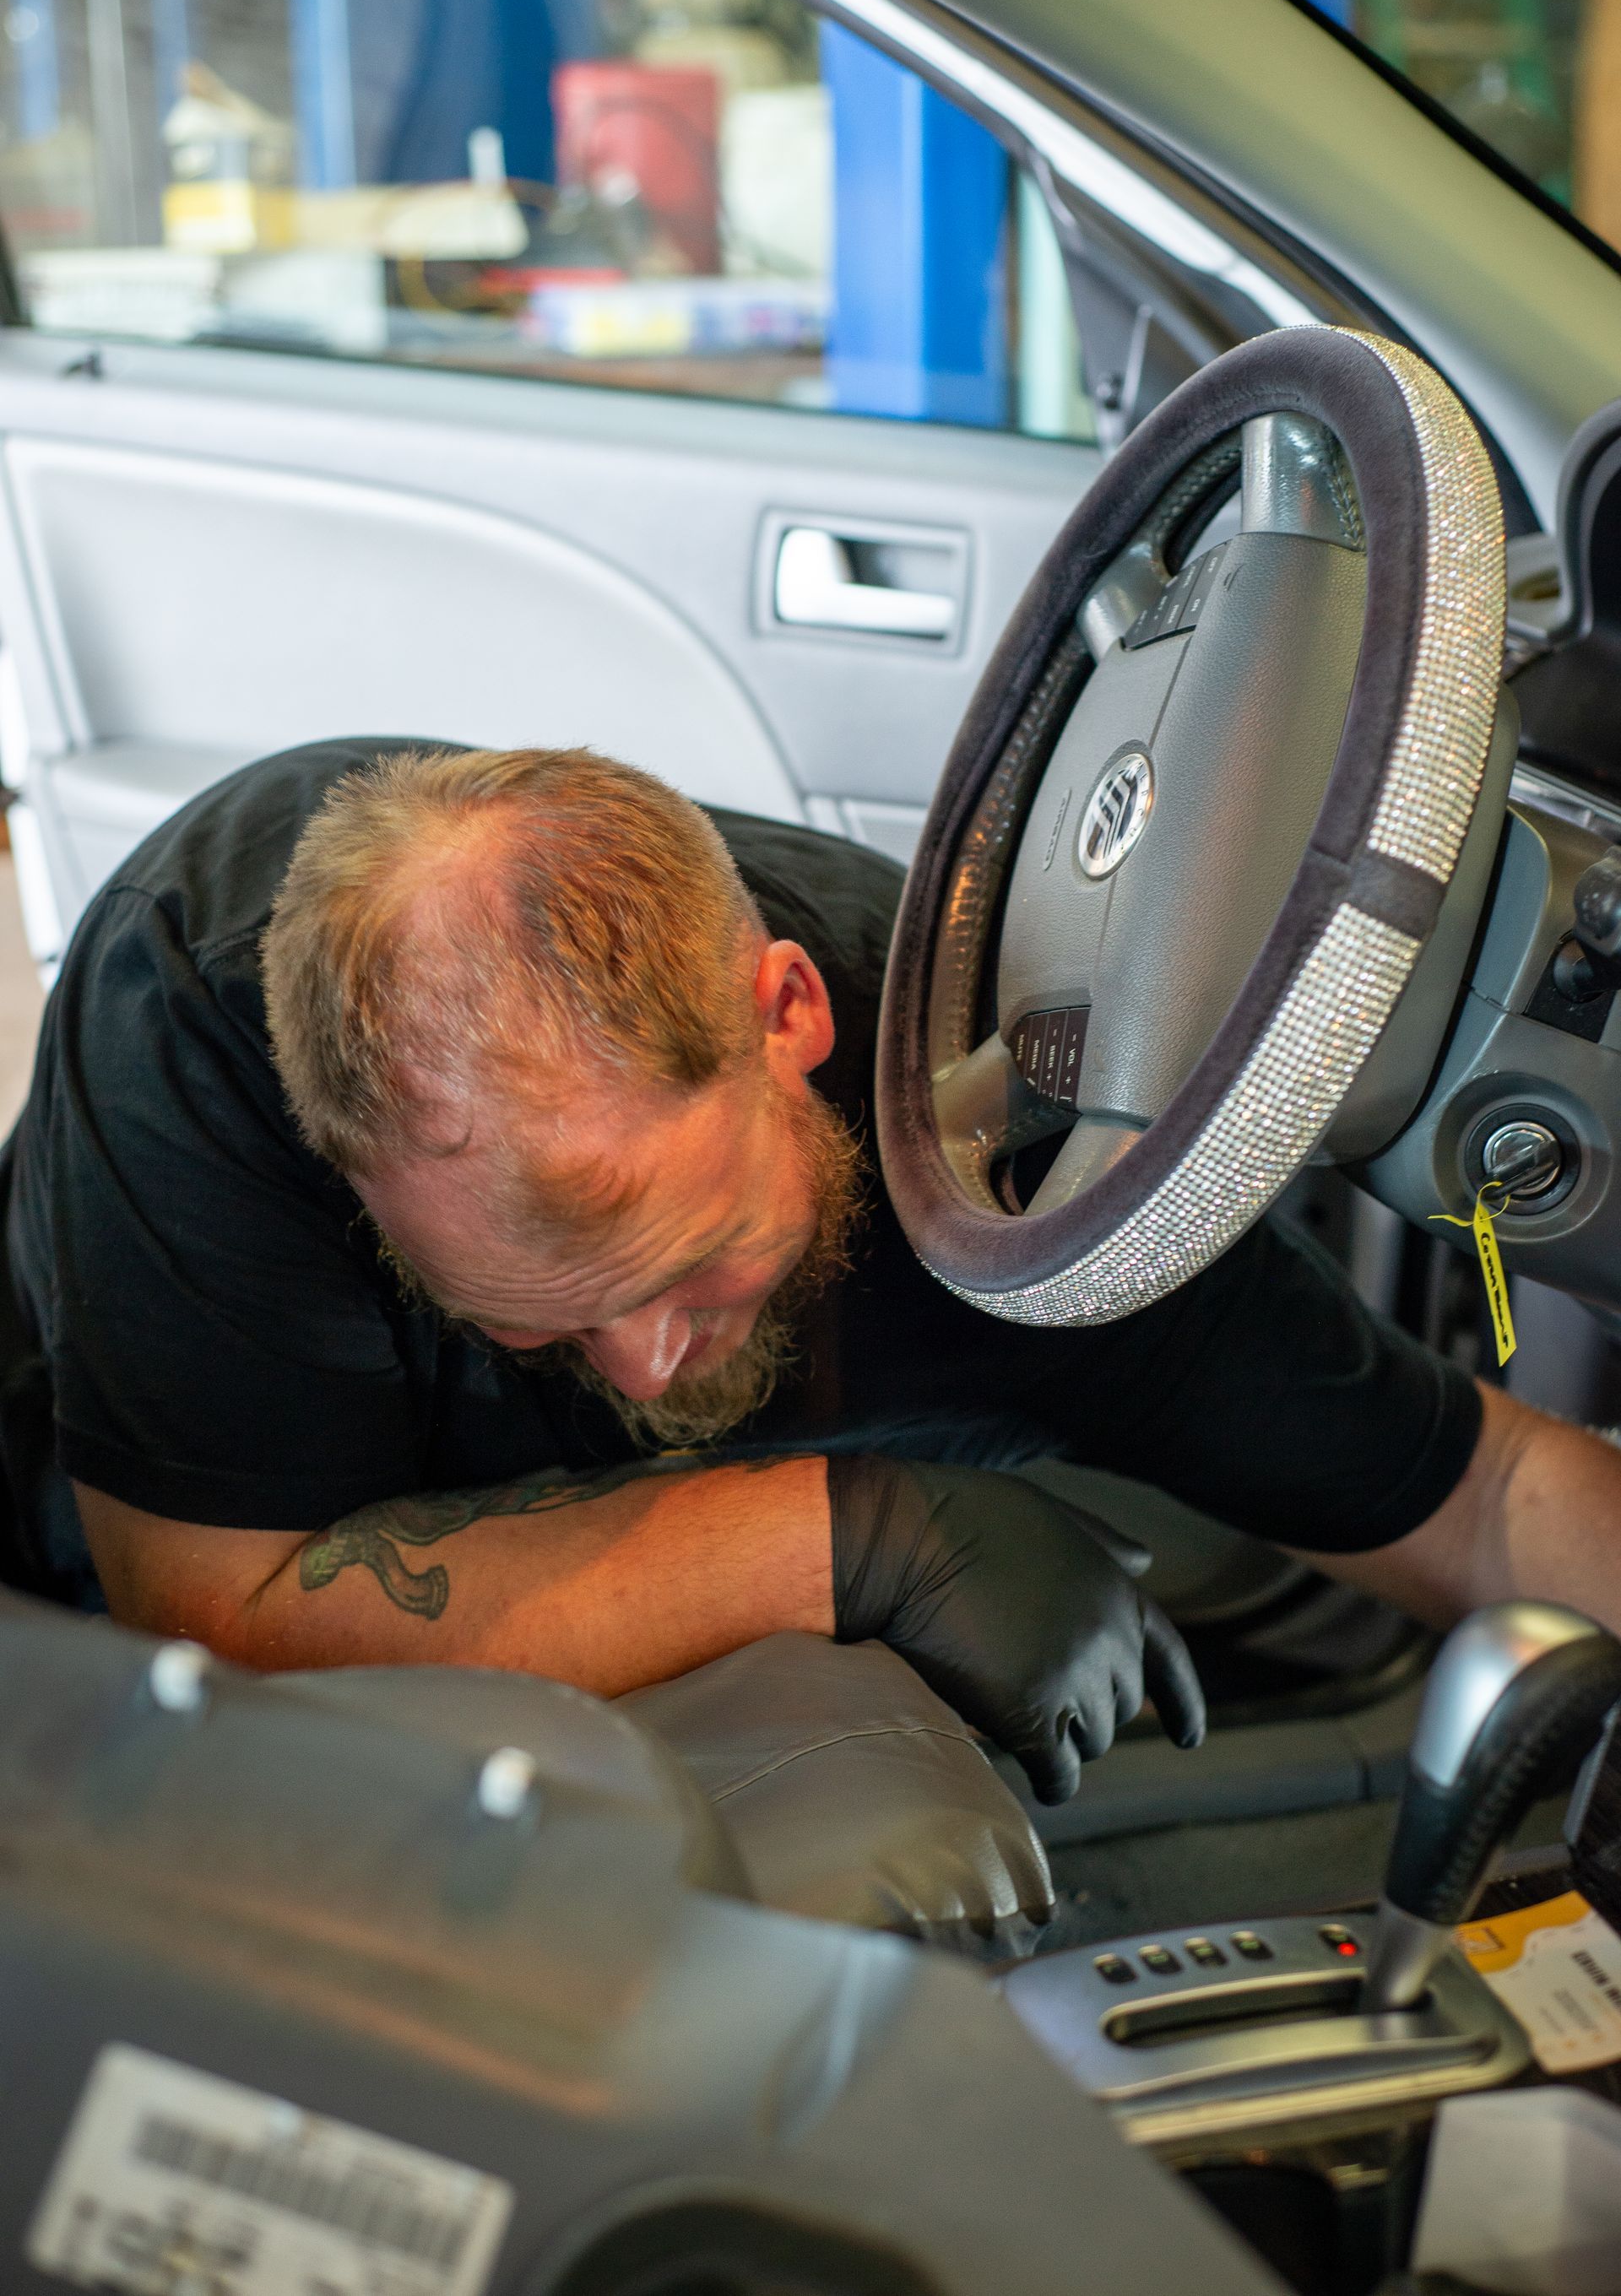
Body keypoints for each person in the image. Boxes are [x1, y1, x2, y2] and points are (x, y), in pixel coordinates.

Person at [4, 739, 1619, 1820]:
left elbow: (1481, 1498)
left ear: (789, 1021)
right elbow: (217, 1618)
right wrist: (854, 1533)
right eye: (538, 1320)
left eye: (698, 1266)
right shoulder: (195, 1021)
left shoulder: (1023, 1170)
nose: (643, 1368)